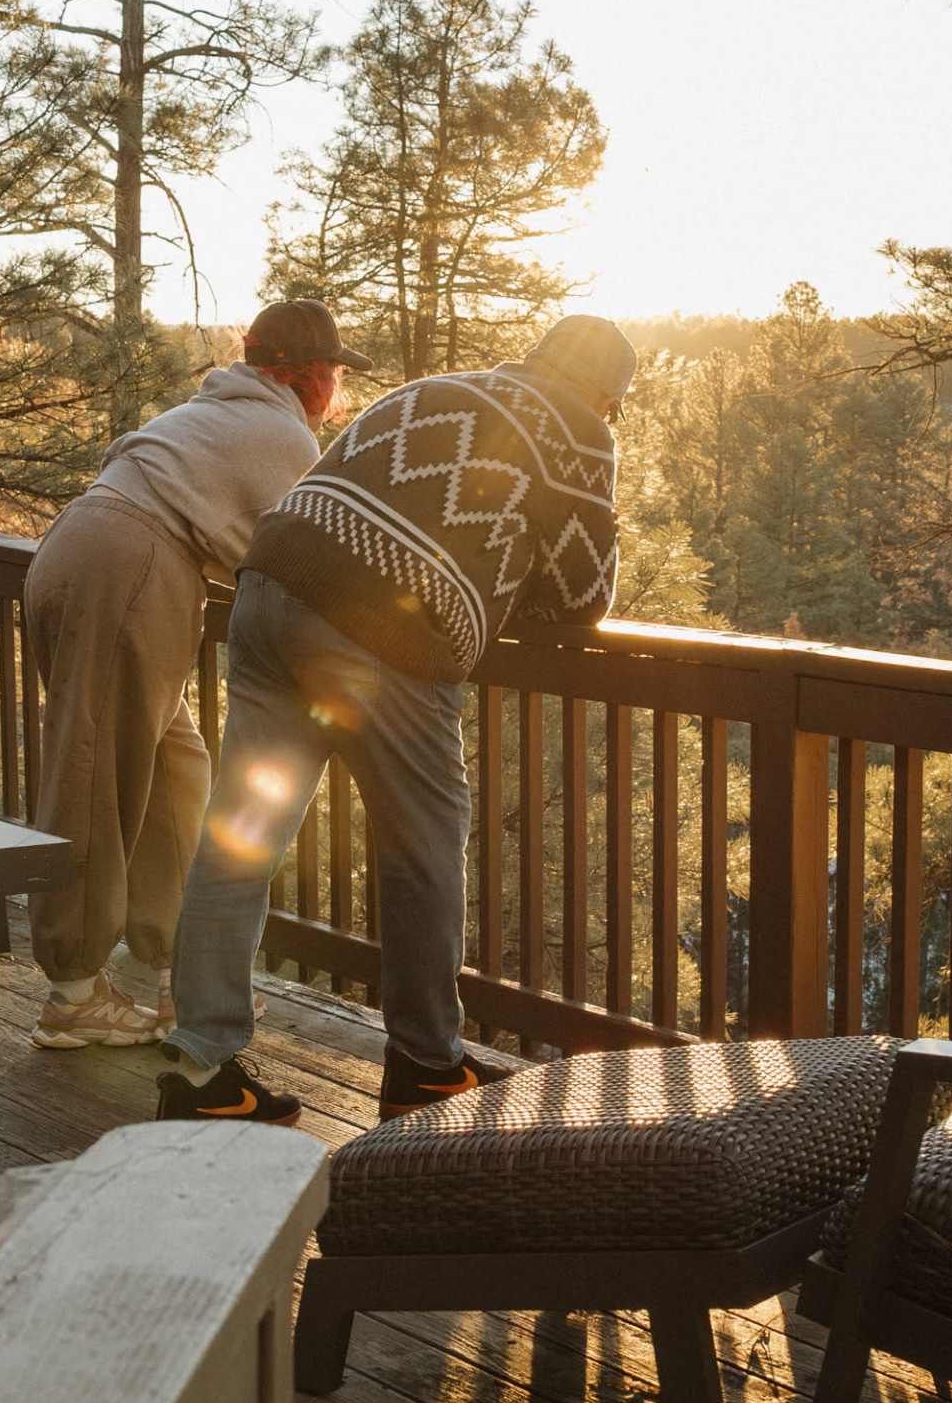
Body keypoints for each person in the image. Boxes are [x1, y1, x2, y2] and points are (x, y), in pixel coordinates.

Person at [157, 312, 632, 1124]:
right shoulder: (579, 429)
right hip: (378, 631)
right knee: (424, 851)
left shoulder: (437, 390)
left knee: (242, 836)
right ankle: (425, 1065)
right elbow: (585, 598)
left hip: (267, 591)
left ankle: (202, 1068)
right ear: (605, 393)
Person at [17, 301, 364, 1051]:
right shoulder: (283, 432)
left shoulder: (210, 409)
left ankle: (189, 966)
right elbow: (309, 560)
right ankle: (73, 992)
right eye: (333, 372)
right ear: (299, 375)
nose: (336, 388)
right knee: (96, 775)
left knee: (175, 770)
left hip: (80, 548)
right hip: (133, 567)